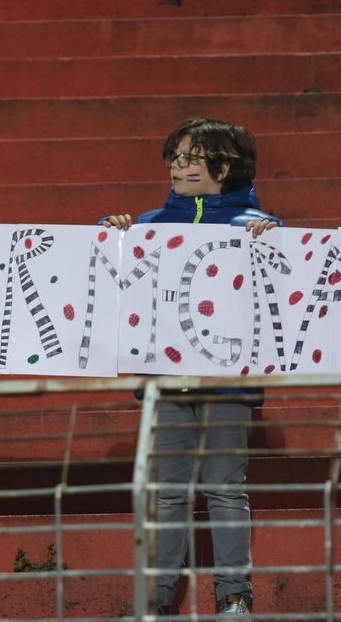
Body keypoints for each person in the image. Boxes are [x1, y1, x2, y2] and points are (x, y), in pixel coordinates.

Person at [101, 117, 283, 620]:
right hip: (167, 384)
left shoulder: (259, 228)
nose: (176, 167)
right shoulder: (149, 224)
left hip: (228, 387)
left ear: (223, 167)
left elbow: (285, 289)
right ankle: (156, 597)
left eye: (188, 157)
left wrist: (273, 242)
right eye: (174, 157)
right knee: (166, 494)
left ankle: (234, 595)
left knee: (225, 488)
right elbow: (106, 279)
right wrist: (106, 240)